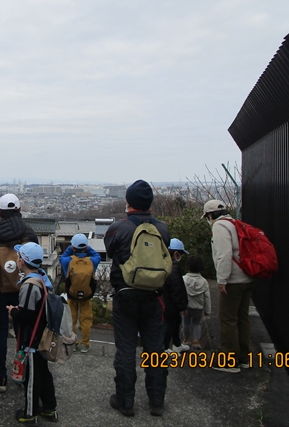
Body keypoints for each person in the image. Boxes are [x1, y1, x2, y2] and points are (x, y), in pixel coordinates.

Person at [104, 179, 171, 418]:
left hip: (125, 296)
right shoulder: (162, 229)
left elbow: (110, 251)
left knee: (126, 350)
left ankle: (125, 401)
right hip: (154, 297)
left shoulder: (118, 228)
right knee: (155, 349)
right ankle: (156, 402)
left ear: (128, 202)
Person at [0, 193, 38, 393]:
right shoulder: (29, 232)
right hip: (24, 289)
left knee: (0, 331)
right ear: (19, 209)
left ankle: (1, 376)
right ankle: (23, 372)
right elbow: (35, 261)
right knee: (23, 330)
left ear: (0, 211)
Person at [6, 242, 58, 424]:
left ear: (23, 261)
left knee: (32, 379)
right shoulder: (41, 279)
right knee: (44, 375)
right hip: (42, 336)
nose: (17, 259)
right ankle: (50, 409)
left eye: (19, 256)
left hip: (32, 340)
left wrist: (13, 311)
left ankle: (30, 414)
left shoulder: (29, 285)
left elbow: (26, 315)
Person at [202, 199, 254, 373]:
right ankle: (244, 358)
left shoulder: (219, 227)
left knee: (228, 319)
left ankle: (230, 361)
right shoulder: (235, 223)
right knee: (242, 318)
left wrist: (222, 280)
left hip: (233, 280)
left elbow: (224, 255)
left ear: (210, 215)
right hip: (246, 277)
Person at [59, 233, 101, 353]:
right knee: (86, 320)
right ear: (86, 247)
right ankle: (85, 344)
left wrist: (71, 248)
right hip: (87, 295)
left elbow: (64, 255)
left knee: (71, 319)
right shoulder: (93, 261)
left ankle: (73, 342)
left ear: (73, 247)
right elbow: (96, 254)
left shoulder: (67, 261)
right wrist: (88, 248)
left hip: (71, 295)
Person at [163, 239, 190, 355]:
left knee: (176, 322)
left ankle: (177, 344)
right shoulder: (173, 269)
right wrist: (183, 306)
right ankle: (165, 347)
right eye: (181, 254)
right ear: (176, 253)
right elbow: (177, 289)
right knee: (170, 324)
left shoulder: (165, 265)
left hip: (167, 302)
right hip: (170, 304)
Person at [182, 255, 211, 350]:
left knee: (186, 323)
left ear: (188, 266)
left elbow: (180, 293)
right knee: (197, 323)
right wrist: (207, 310)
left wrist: (181, 306)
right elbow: (207, 297)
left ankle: (186, 339)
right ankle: (196, 341)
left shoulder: (183, 279)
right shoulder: (204, 282)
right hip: (198, 307)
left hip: (186, 306)